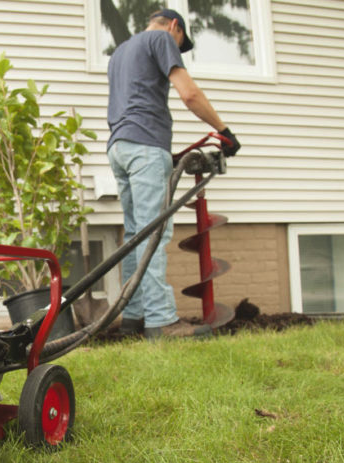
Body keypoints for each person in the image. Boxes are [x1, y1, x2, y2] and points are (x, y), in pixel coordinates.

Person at [107, 8, 240, 339]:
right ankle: (161, 321)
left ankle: (134, 317)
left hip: (118, 147)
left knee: (136, 234)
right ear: (176, 27)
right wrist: (224, 130)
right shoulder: (161, 38)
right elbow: (189, 93)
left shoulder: (121, 51)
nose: (176, 49)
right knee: (154, 234)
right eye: (180, 43)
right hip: (145, 146)